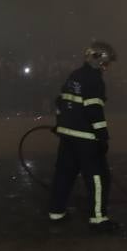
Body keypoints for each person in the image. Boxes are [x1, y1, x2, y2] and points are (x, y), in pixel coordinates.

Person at [48, 40, 119, 232]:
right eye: (107, 62)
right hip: (86, 138)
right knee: (98, 177)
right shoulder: (94, 79)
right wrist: (102, 136)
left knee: (64, 175)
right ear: (99, 59)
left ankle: (56, 212)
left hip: (68, 136)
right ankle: (98, 220)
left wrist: (60, 124)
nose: (108, 66)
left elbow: (60, 102)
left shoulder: (74, 76)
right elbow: (94, 109)